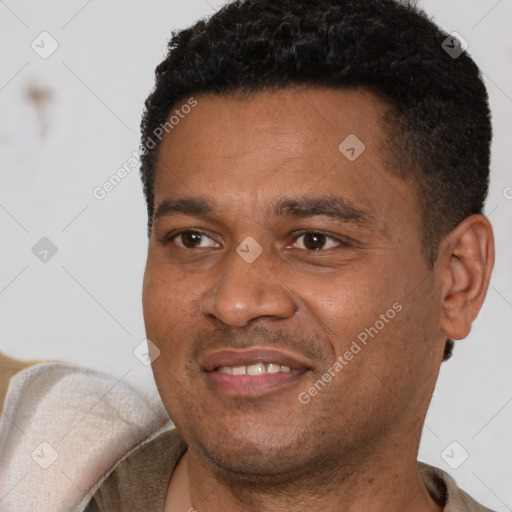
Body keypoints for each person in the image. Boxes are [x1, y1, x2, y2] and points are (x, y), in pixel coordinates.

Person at [85, 0, 496, 510]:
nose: (235, 302)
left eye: (314, 241)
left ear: (458, 279)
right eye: (194, 239)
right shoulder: (35, 479)